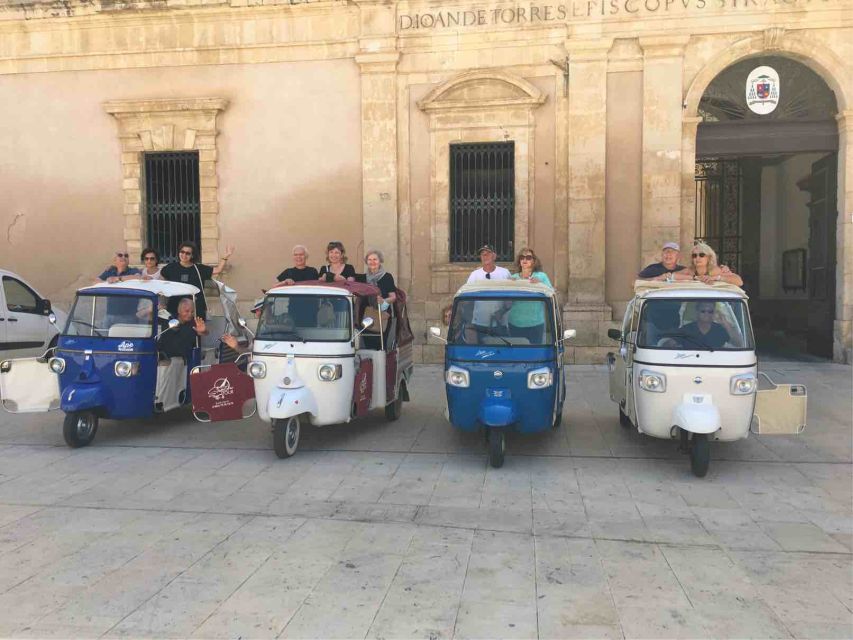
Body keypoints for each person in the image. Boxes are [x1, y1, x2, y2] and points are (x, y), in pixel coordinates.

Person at [161, 241, 234, 319]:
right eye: (182, 252)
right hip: (175, 308)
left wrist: (225, 256)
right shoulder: (171, 267)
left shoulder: (199, 269)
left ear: (192, 255)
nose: (184, 255)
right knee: (174, 326)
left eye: (188, 253)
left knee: (197, 327)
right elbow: (162, 281)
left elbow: (218, 270)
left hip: (196, 309)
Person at [505, 247, 552, 344]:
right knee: (517, 351)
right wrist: (510, 286)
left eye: (528, 257)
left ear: (534, 261)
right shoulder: (513, 278)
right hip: (515, 322)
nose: (525, 260)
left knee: (535, 351)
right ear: (519, 261)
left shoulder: (541, 276)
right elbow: (507, 302)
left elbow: (551, 293)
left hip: (535, 323)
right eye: (522, 257)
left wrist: (540, 284)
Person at [676, 301, 744, 349]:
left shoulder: (719, 330)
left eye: (710, 311)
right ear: (697, 312)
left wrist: (725, 323)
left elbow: (739, 343)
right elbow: (671, 344)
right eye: (703, 311)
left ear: (714, 313)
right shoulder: (687, 329)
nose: (707, 314)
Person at [675, 241, 743, 286]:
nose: (697, 258)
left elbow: (739, 282)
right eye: (694, 255)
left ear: (709, 257)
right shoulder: (690, 271)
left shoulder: (715, 270)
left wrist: (716, 278)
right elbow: (671, 276)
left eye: (701, 255)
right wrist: (695, 278)